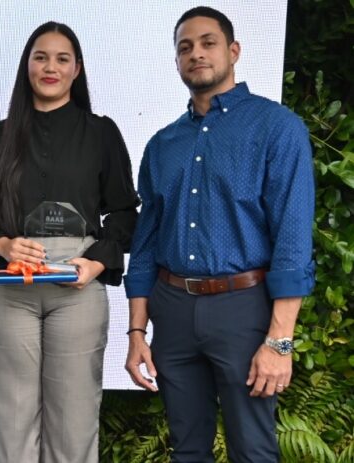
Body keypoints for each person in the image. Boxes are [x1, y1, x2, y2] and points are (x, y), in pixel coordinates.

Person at [123, 6, 315, 462]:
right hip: (171, 310)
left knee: (253, 450)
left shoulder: (277, 128)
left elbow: (291, 241)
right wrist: (136, 331)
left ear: (233, 51)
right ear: (176, 61)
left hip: (243, 309)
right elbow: (146, 243)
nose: (196, 54)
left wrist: (279, 341)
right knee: (186, 450)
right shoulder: (162, 144)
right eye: (185, 47)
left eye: (208, 43)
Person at [0, 21, 139, 462]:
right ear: (27, 65)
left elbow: (124, 213)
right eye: (41, 56)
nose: (50, 67)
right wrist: (2, 244)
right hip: (14, 286)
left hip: (76, 284)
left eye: (62, 59)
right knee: (11, 416)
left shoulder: (101, 133)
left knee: (74, 418)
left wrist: (96, 262)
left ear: (77, 69)